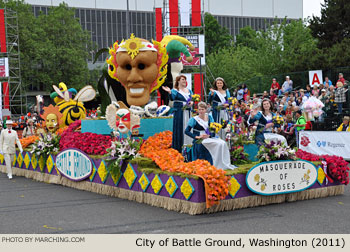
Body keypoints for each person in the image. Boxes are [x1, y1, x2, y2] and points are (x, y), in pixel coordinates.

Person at [185, 102, 236, 170]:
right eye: (199, 109)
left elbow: (213, 129)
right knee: (216, 144)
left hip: (209, 137)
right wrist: (197, 137)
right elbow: (186, 131)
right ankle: (214, 163)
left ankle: (221, 163)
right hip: (200, 139)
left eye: (202, 109)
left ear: (206, 110)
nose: (201, 111)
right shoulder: (194, 119)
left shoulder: (209, 117)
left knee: (222, 143)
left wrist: (210, 135)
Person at [162, 75, 193, 153]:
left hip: (188, 112)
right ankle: (179, 148)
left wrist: (192, 102)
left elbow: (192, 99)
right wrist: (169, 92)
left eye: (185, 79)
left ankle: (189, 146)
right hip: (180, 113)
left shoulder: (189, 90)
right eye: (182, 79)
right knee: (180, 129)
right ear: (178, 81)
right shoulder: (175, 90)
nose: (184, 81)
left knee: (189, 128)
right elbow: (172, 97)